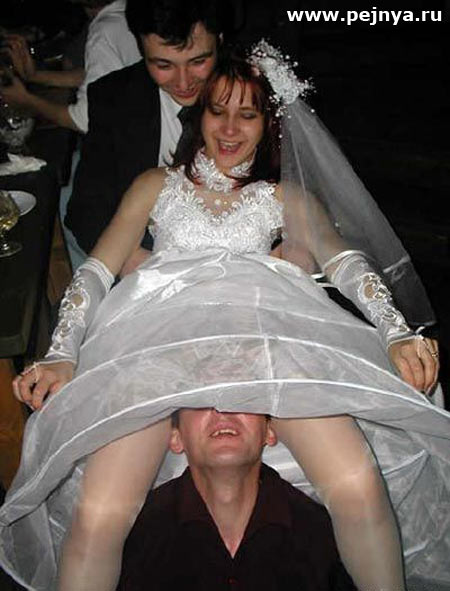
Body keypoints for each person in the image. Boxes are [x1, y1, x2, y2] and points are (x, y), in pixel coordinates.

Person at [2, 47, 449, 591]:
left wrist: (397, 332)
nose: (231, 128)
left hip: (264, 346)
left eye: (248, 114)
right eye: (218, 111)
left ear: (269, 124)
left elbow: (346, 263)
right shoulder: (156, 184)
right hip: (159, 346)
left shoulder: (283, 196)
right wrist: (62, 353)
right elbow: (97, 269)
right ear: (201, 114)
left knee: (357, 483)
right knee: (99, 512)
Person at [64, 0, 226, 270]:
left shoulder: (251, 96)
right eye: (164, 65)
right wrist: (138, 265)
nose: (184, 82)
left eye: (198, 61)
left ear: (219, 41)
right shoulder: (113, 96)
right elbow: (86, 209)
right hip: (140, 259)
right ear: (140, 48)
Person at [117, 408, 356, 590]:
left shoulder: (324, 535)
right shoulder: (133, 537)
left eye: (243, 398)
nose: (223, 411)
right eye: (201, 401)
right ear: (175, 437)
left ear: (270, 430)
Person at [0, 0, 140, 133]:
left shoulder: (105, 30)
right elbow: (101, 77)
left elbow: (86, 120)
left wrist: (27, 100)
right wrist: (34, 75)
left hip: (128, 140)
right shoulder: (125, 13)